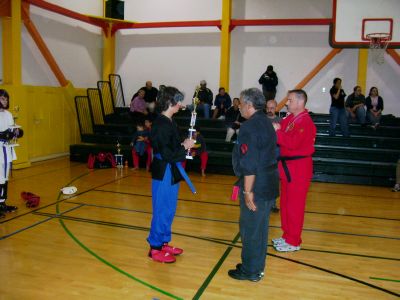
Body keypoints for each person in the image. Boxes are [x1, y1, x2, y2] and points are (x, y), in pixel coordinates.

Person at [228, 88, 279, 282]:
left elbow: (250, 163)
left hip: (256, 185)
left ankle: (251, 271)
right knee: (260, 228)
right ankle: (255, 266)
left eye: (241, 103)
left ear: (249, 105)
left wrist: (248, 191)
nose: (239, 106)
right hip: (268, 182)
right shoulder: (266, 122)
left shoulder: (250, 127)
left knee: (250, 229)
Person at [147, 86, 195, 263]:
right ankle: (155, 247)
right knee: (161, 209)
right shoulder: (160, 124)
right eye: (179, 101)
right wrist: (184, 147)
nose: (181, 104)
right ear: (170, 102)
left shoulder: (170, 122)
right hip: (164, 170)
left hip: (172, 169)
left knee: (169, 209)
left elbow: (173, 146)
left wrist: (185, 143)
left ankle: (163, 242)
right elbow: (166, 153)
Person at [271, 89, 316, 252]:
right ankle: (287, 235)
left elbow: (292, 143)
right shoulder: (291, 118)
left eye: (289, 100)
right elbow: (279, 131)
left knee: (295, 205)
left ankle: (294, 241)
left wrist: (278, 131)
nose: (287, 103)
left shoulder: (305, 122)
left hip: (299, 168)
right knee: (285, 203)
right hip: (287, 166)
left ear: (300, 102)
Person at [0, 89, 23, 218]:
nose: (5, 101)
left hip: (7, 150)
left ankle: (2, 203)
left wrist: (16, 132)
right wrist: (2, 135)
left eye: (6, 99)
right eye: (2, 98)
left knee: (4, 178)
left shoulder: (8, 114)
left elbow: (11, 129)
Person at [265, 99, 281, 213]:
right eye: (268, 108)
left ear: (276, 108)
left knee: (274, 179)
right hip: (263, 153)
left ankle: (273, 204)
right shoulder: (261, 120)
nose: (269, 110)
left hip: (275, 153)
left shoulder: (281, 121)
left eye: (272, 108)